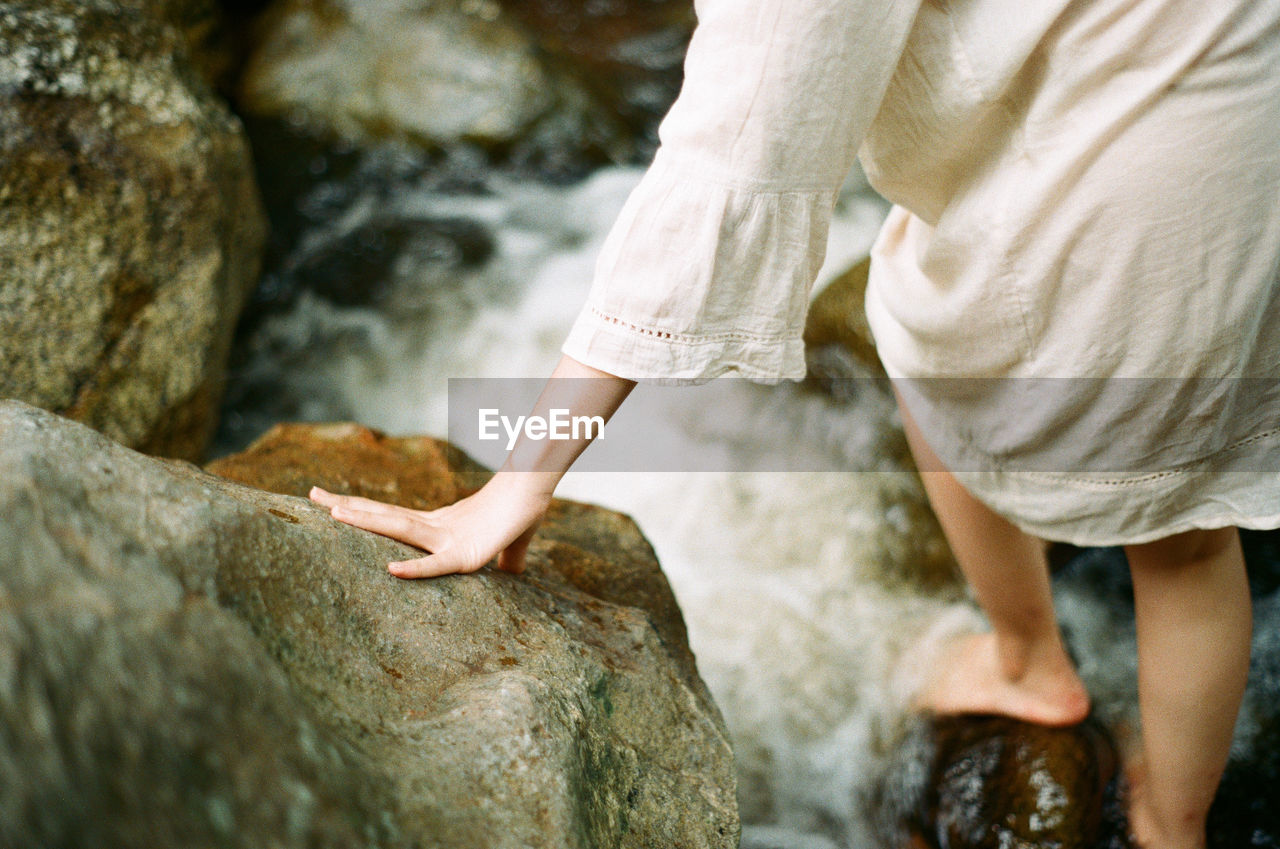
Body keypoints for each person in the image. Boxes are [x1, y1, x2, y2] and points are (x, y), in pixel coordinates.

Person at [309, 1, 1280, 846]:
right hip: (1227, 66)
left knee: (1167, 522)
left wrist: (521, 479)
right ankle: (1079, 715)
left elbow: (737, 158)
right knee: (956, 349)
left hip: (1155, 140)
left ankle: (1140, 797)